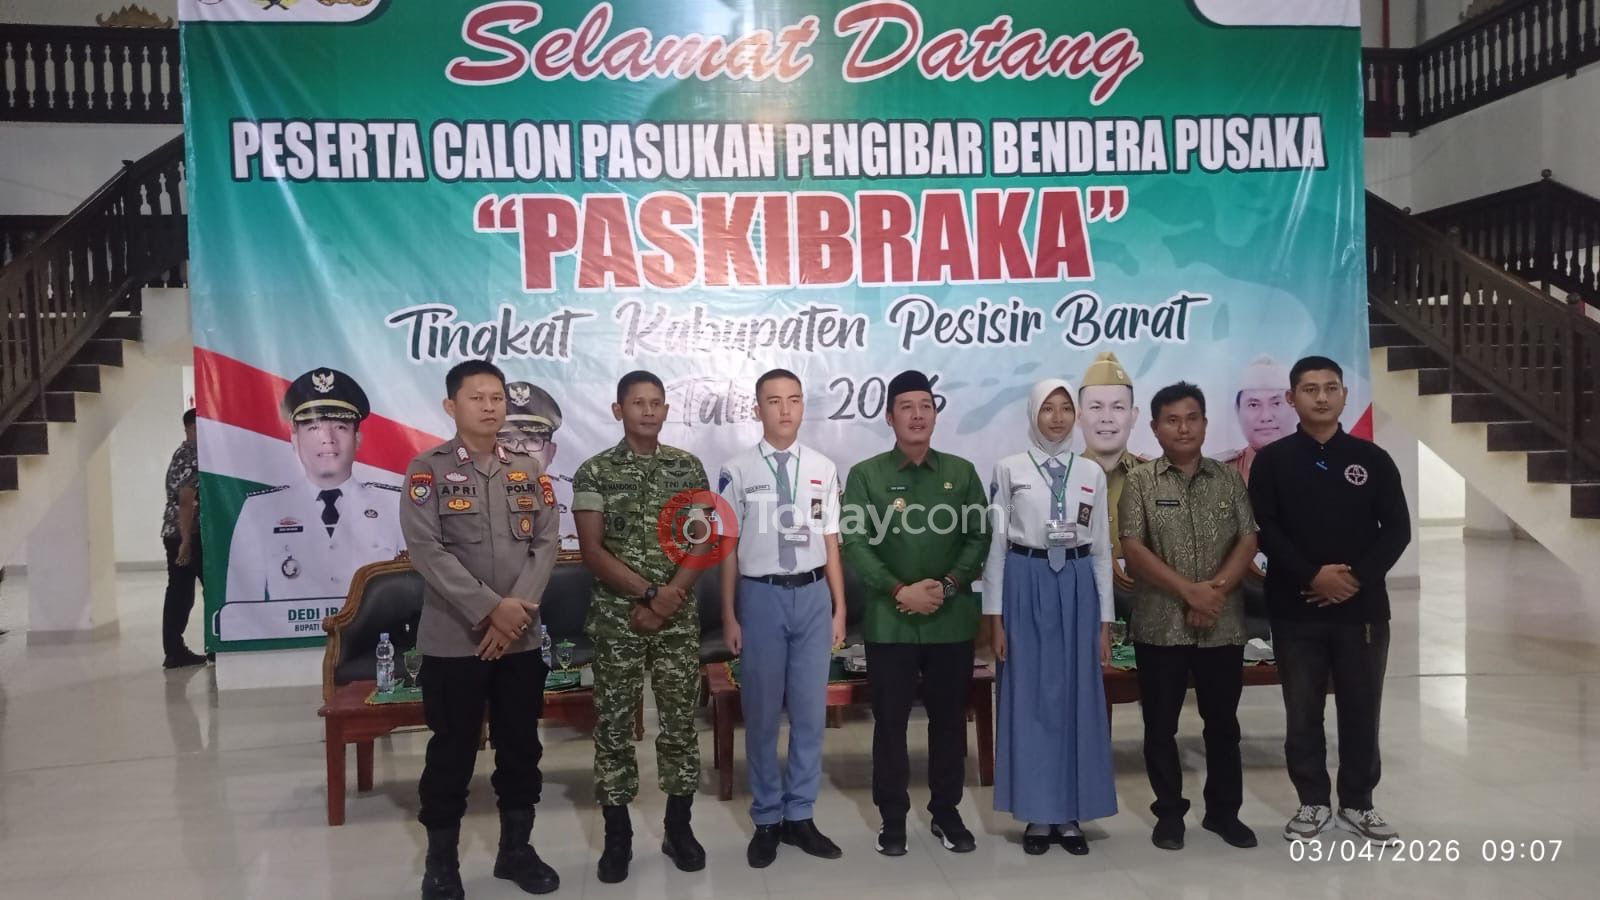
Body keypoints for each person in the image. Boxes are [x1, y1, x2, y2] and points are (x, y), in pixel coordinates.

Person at [401, 359, 562, 900]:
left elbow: (546, 543)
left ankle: (516, 852)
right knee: (451, 753)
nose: (490, 406)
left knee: (521, 748)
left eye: (497, 397)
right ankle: (441, 863)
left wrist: (515, 613)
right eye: (477, 397)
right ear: (452, 406)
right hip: (455, 640)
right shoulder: (427, 470)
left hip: (520, 639)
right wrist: (491, 609)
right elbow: (426, 550)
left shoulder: (528, 469)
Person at [1247, 356, 1411, 845]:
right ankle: (1313, 801)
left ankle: (1359, 803)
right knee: (1302, 711)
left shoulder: (1373, 460)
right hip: (1295, 609)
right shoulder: (1272, 461)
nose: (1321, 397)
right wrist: (1313, 576)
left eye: (1330, 387)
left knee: (1362, 708)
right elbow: (1265, 529)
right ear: (1291, 398)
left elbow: (1397, 530)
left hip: (1362, 611)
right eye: (1310, 388)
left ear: (1344, 395)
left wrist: (1353, 579)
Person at [840, 370, 990, 857]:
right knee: (890, 724)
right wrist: (899, 589)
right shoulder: (866, 475)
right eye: (906, 406)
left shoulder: (961, 472)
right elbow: (855, 542)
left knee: (950, 723)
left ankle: (947, 813)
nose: (918, 414)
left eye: (926, 405)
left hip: (950, 619)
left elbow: (979, 536)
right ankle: (892, 819)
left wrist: (946, 586)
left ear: (936, 414)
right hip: (892, 622)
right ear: (889, 416)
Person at [572, 370, 713, 883]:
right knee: (613, 727)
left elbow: (703, 538)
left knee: (680, 724)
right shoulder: (594, 472)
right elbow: (592, 552)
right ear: (618, 410)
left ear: (666, 410)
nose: (648, 411)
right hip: (618, 620)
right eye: (637, 403)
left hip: (677, 620)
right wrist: (651, 594)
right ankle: (618, 838)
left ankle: (679, 828)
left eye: (656, 403)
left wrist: (668, 600)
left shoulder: (688, 466)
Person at [1119, 382, 1260, 852]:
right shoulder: (1140, 481)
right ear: (1156, 427)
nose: (1184, 428)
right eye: (1173, 420)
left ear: (1204, 423)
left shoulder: (1228, 478)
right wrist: (1189, 593)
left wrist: (1212, 594)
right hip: (1160, 626)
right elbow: (1133, 548)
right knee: (1160, 727)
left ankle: (1224, 813)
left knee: (1223, 725)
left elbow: (1248, 539)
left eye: (1192, 418)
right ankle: (1169, 814)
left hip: (1222, 623)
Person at [717, 368, 847, 868]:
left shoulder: (823, 467)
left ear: (803, 406)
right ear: (757, 409)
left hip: (812, 597)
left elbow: (830, 540)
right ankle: (767, 817)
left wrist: (838, 607)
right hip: (761, 598)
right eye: (774, 401)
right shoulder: (736, 470)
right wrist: (729, 614)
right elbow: (727, 548)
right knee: (763, 714)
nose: (785, 409)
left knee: (811, 715)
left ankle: (801, 815)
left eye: (794, 399)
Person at [986, 379, 1117, 856]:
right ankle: (1038, 815)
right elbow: (996, 548)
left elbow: (1101, 550)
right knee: (1029, 700)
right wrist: (995, 620)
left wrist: (1105, 623)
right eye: (1048, 408)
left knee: (1077, 700)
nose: (1057, 418)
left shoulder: (1091, 472)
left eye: (1065, 408)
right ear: (1032, 414)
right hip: (1026, 581)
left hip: (1077, 586)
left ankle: (1070, 814)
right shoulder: (1009, 469)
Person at [224, 367, 404, 605]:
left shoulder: (395, 506)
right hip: (289, 630)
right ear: (294, 440)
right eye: (313, 428)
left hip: (374, 629)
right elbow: (241, 605)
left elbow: (412, 589)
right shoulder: (260, 510)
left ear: (357, 439)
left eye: (340, 427)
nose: (328, 439)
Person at [1077, 351, 1147, 614]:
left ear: (1134, 415)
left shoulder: (1153, 478)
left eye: (1118, 407)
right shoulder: (1059, 479)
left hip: (1144, 602)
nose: (1106, 417)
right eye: (1096, 407)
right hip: (1079, 600)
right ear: (1079, 416)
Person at [499, 381, 576, 550]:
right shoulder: (470, 490)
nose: (519, 449)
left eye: (532, 440)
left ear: (552, 451)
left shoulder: (573, 496)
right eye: (507, 440)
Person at [161, 408, 206, 669]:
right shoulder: (192, 454)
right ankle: (178, 650)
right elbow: (187, 501)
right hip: (187, 533)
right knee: (183, 593)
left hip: (177, 531)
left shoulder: (183, 452)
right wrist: (186, 542)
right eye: (200, 428)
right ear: (190, 428)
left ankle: (174, 650)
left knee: (180, 592)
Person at [1218, 355, 1293, 483]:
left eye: (1276, 403)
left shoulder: (1313, 465)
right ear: (1237, 411)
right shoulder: (1220, 472)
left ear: (1294, 408)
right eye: (1253, 405)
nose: (1266, 417)